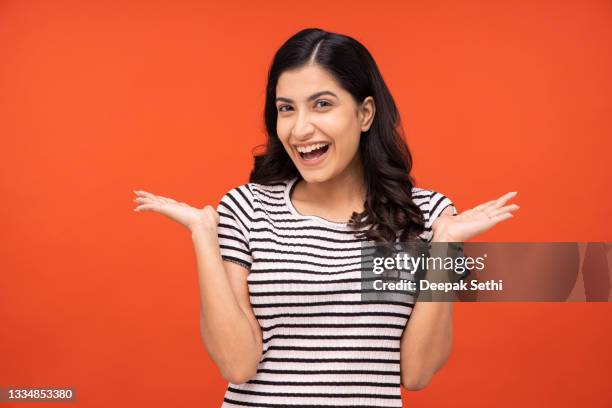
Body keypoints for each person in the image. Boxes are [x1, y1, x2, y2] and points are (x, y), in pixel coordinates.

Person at [133, 28, 519, 407]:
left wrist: (444, 247)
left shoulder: (423, 218)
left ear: (365, 113)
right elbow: (237, 365)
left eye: (322, 104)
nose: (300, 129)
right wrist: (204, 235)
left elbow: (417, 374)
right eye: (286, 108)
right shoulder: (248, 208)